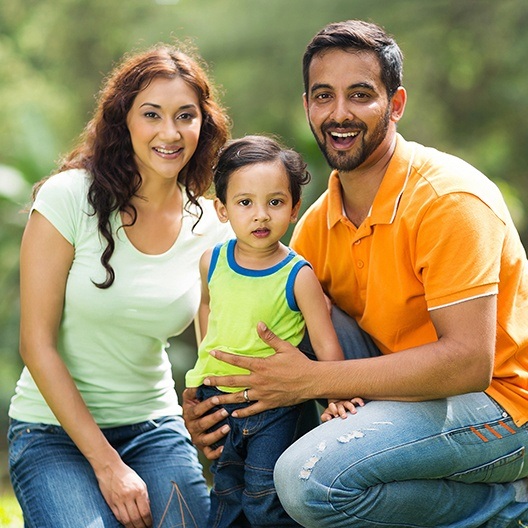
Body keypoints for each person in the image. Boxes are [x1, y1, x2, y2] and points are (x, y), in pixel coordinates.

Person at [182, 19, 528, 528]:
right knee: (290, 323)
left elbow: (468, 364)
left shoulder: (449, 199)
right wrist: (215, 404)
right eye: (324, 96)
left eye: (360, 95)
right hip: (393, 393)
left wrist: (314, 381)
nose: (339, 113)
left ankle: (508, 507)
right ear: (307, 107)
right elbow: (274, 345)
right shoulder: (315, 225)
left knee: (307, 481)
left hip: (499, 408)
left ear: (396, 104)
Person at [8, 43, 233, 528]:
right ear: (124, 120)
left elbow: (216, 347)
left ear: (203, 124)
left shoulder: (214, 226)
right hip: (51, 434)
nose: (170, 133)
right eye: (151, 114)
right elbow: (35, 344)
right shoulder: (68, 199)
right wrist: (108, 465)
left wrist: (204, 409)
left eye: (185, 116)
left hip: (154, 428)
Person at [185, 134, 362, 528]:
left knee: (264, 498)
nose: (261, 215)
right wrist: (203, 367)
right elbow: (207, 306)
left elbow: (324, 340)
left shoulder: (297, 275)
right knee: (227, 492)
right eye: (245, 203)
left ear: (295, 208)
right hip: (220, 400)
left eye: (275, 202)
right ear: (222, 209)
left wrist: (336, 395)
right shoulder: (211, 262)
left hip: (276, 407)